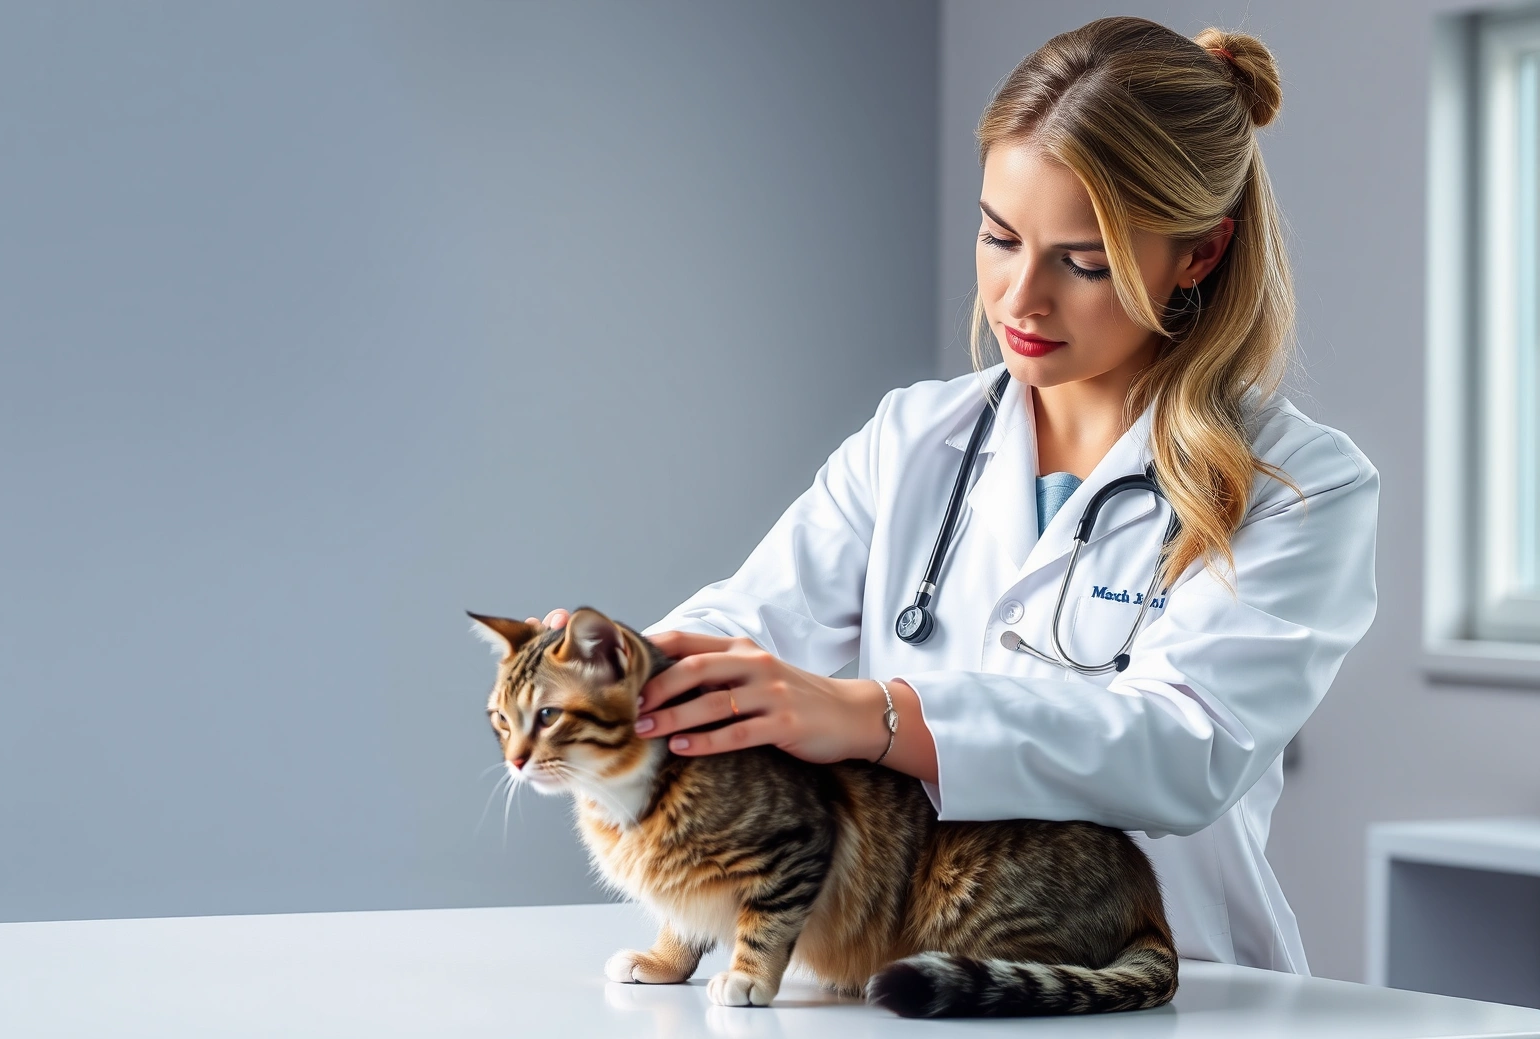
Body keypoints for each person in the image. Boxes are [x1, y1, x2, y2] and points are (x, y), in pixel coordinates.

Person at [531, 17, 1376, 976]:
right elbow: (755, 622)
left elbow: (1187, 746)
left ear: (1199, 253)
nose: (1021, 298)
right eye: (998, 236)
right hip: (913, 981)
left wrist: (880, 714)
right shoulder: (912, 441)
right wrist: (631, 668)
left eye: (1083, 261)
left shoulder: (1300, 488)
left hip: (1178, 990)